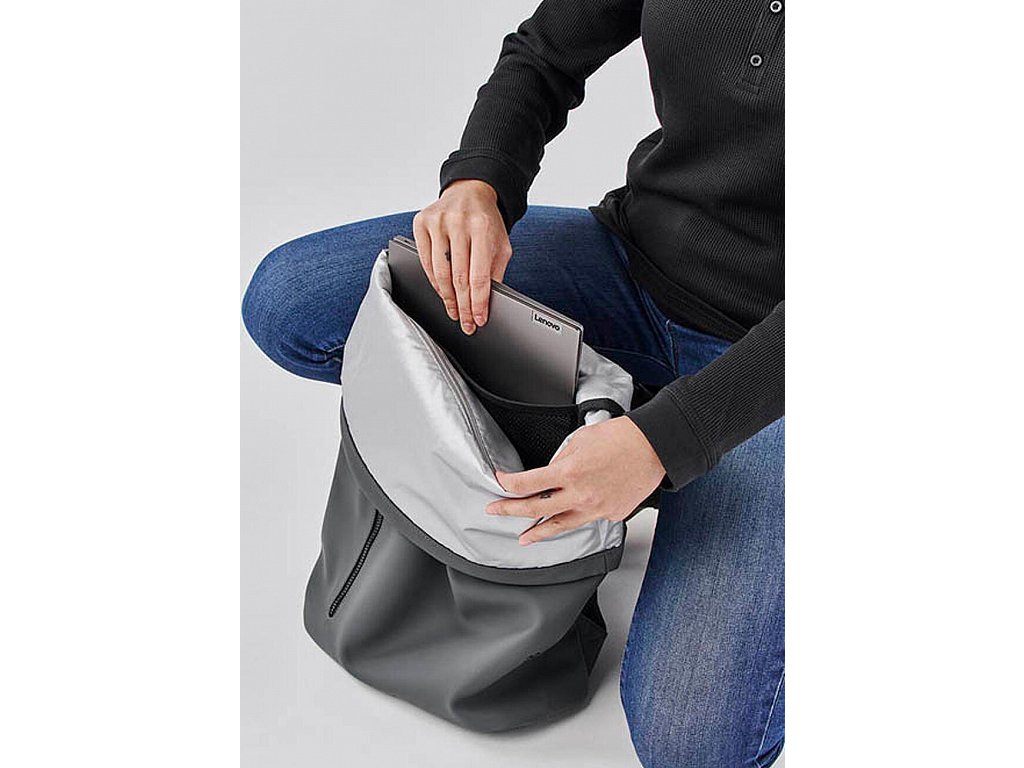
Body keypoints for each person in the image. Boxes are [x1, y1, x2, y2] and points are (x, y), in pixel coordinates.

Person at [243, 0, 784, 765]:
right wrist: (479, 182)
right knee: (292, 300)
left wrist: (669, 440)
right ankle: (621, 457)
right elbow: (545, 53)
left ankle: (678, 474)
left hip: (781, 370)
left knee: (693, 744)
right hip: (632, 266)